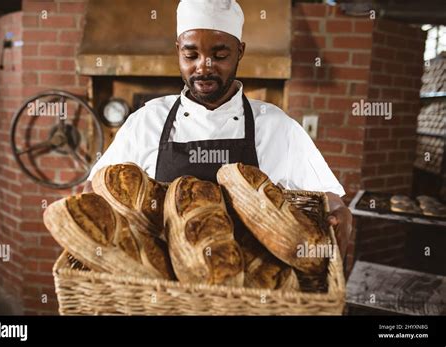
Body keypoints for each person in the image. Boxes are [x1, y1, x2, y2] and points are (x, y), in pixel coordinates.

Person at [84, 0, 352, 258]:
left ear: (240, 52)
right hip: (166, 285)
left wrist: (341, 213)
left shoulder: (278, 128)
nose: (204, 67)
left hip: (250, 291)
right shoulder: (146, 122)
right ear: (178, 49)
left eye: (220, 55)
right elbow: (94, 189)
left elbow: (328, 200)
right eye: (191, 55)